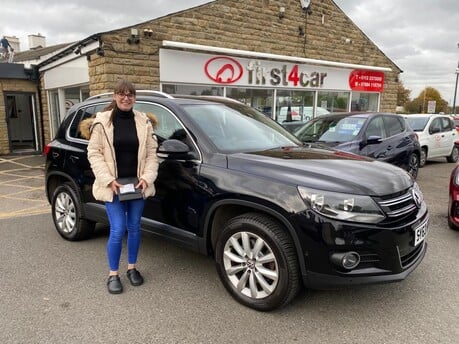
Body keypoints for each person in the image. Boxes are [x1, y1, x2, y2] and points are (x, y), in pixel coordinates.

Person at [86, 79, 159, 294]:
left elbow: (152, 154)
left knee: (135, 228)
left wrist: (147, 177)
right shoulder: (102, 123)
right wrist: (109, 180)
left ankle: (132, 268)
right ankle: (113, 274)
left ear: (135, 98)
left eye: (130, 94)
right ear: (114, 96)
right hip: (115, 187)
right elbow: (94, 153)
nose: (126, 98)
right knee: (118, 229)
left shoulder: (144, 122)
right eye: (122, 94)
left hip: (137, 186)